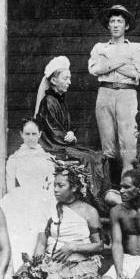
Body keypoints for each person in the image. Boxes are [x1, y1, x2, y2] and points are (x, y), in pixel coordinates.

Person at [16, 162, 104, 279]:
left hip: (80, 263)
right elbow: (42, 240)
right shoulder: (49, 209)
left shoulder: (89, 212)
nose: (55, 189)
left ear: (75, 187)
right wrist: (37, 262)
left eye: (60, 185)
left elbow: (99, 246)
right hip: (53, 263)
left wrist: (73, 247)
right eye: (54, 185)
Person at [36, 56, 109, 210]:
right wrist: (66, 137)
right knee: (90, 158)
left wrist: (71, 134)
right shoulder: (49, 101)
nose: (69, 82)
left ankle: (101, 196)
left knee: (100, 156)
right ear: (54, 81)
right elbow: (53, 131)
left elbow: (66, 128)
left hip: (62, 144)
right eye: (66, 78)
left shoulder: (59, 100)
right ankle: (94, 200)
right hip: (54, 146)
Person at [88, 5, 140, 173]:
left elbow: (138, 72)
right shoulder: (99, 47)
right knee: (107, 143)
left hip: (127, 94)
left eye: (119, 21)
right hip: (105, 93)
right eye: (112, 21)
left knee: (128, 142)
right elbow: (95, 70)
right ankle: (109, 186)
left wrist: (109, 62)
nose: (115, 25)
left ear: (126, 26)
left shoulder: (136, 47)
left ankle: (127, 184)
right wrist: (123, 61)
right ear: (108, 25)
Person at [0, 119, 55, 271]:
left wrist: (46, 199)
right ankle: (20, 269)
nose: (31, 137)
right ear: (21, 135)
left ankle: (38, 270)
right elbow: (11, 186)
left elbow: (51, 183)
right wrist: (20, 202)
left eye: (34, 134)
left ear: (40, 134)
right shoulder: (14, 158)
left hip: (43, 199)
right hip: (20, 199)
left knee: (42, 229)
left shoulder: (47, 158)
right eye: (27, 134)